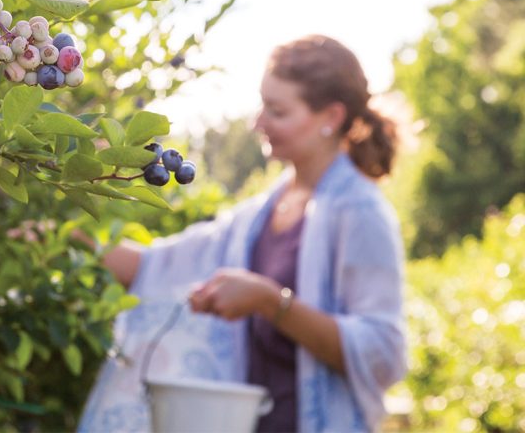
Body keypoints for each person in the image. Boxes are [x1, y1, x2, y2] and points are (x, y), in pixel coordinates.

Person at [77, 35, 408, 433]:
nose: (258, 123)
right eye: (262, 105)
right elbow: (157, 266)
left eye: (278, 110)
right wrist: (60, 238)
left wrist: (269, 301)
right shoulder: (258, 215)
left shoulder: (360, 211)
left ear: (331, 118)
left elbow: (383, 353)